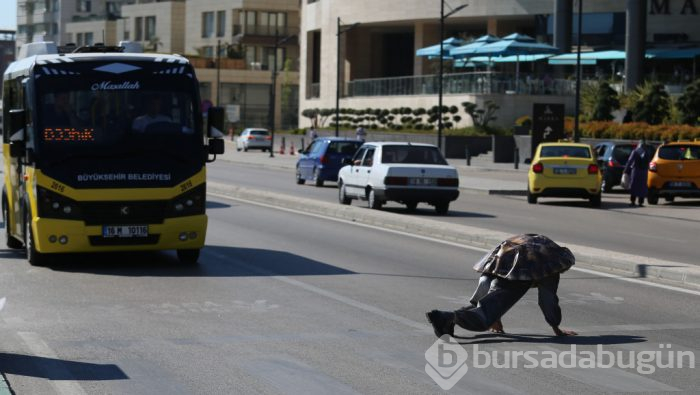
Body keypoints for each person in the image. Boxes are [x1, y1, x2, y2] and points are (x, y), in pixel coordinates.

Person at [426, 234, 578, 338]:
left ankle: (449, 320)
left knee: (485, 308)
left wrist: (494, 314)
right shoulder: (552, 264)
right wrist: (556, 328)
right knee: (484, 319)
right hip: (517, 274)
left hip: (498, 262)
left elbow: (485, 283)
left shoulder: (545, 243)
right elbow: (547, 300)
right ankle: (446, 317)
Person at [623, 139, 651, 207]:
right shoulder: (646, 152)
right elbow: (648, 162)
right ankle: (640, 202)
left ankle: (633, 201)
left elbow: (630, 161)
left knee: (634, 186)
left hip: (636, 171)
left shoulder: (635, 151)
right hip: (644, 172)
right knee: (642, 187)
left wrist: (626, 170)